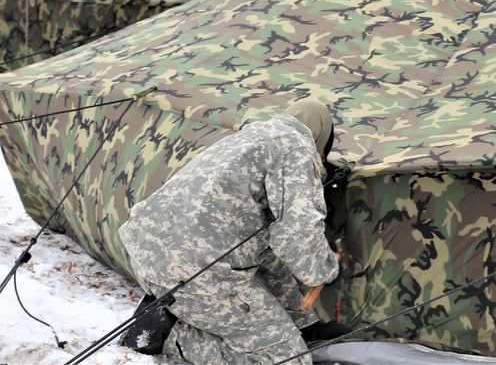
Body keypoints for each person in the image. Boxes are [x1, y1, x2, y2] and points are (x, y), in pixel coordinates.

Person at [119, 100, 344, 364]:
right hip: (197, 270)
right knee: (288, 359)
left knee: (263, 258)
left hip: (150, 251)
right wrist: (326, 270)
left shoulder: (248, 138)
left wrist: (304, 323)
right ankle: (175, 338)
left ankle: (188, 311)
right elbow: (296, 236)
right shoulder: (297, 148)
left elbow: (266, 251)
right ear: (320, 142)